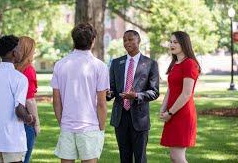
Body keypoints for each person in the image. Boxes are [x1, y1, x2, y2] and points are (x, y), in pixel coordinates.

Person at [50, 23, 109, 163]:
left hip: (67, 126)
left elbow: (56, 101)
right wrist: (101, 128)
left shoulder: (60, 64)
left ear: (73, 40)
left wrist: (62, 122)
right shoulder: (99, 66)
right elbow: (101, 103)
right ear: (93, 41)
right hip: (90, 127)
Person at [106, 30, 159, 163]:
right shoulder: (116, 63)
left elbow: (154, 91)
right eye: (124, 40)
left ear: (138, 40)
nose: (127, 42)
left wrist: (136, 96)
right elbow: (112, 89)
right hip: (120, 117)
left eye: (130, 39)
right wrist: (108, 94)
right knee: (124, 157)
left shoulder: (150, 64)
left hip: (140, 118)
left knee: (140, 158)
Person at [0, 35, 34, 163]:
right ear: (14, 53)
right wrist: (29, 118)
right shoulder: (19, 78)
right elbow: (19, 110)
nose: (21, 52)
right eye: (19, 49)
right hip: (12, 141)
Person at [160, 31, 200, 163]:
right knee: (173, 157)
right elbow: (170, 89)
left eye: (175, 42)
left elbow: (186, 93)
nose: (172, 44)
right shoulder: (175, 64)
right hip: (172, 113)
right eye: (170, 41)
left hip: (182, 114)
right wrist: (163, 108)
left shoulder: (189, 64)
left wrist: (170, 112)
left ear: (184, 44)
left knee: (178, 157)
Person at [15, 36, 40, 163]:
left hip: (11, 120)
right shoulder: (29, 69)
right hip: (25, 120)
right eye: (33, 50)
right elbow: (29, 100)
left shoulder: (11, 68)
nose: (34, 52)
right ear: (28, 50)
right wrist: (36, 125)